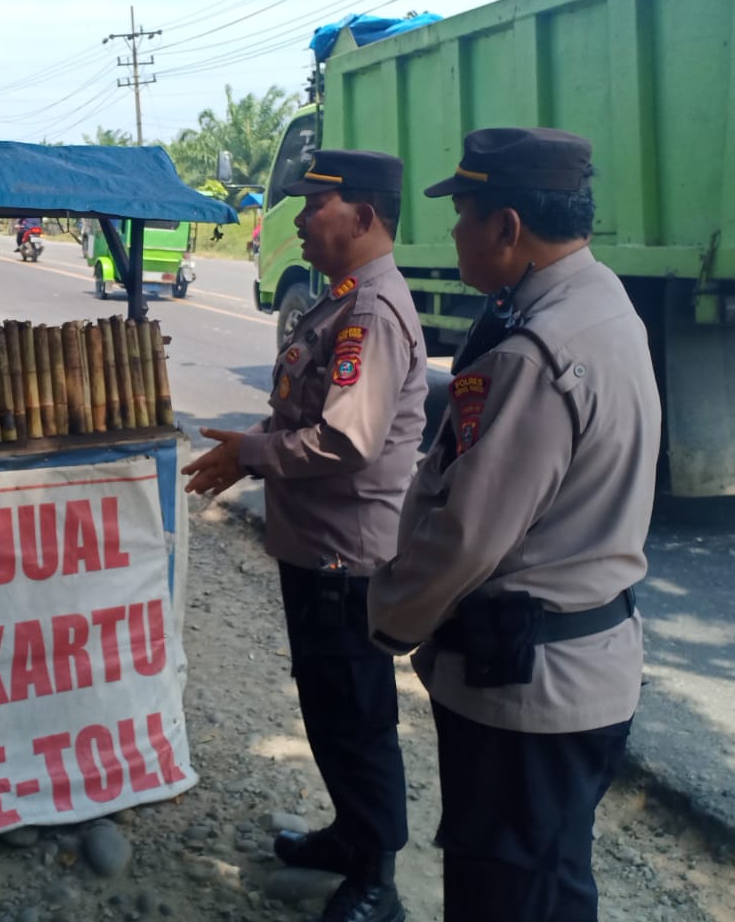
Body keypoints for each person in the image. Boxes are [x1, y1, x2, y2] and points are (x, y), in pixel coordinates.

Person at [367, 128, 662, 922]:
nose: (452, 233)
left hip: (530, 689)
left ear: (505, 226)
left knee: (505, 894)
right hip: (581, 669)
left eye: (462, 214)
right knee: (547, 880)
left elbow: (470, 531)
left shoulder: (536, 347)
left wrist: (387, 617)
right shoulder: (596, 301)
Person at [183, 150, 426, 922]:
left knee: (355, 715)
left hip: (342, 554)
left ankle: (376, 879)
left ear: (361, 215)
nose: (297, 218)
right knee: (326, 705)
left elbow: (344, 440)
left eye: (313, 205)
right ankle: (350, 835)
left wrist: (249, 454)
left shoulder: (370, 314)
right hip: (313, 545)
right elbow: (300, 417)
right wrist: (248, 448)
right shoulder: (339, 303)